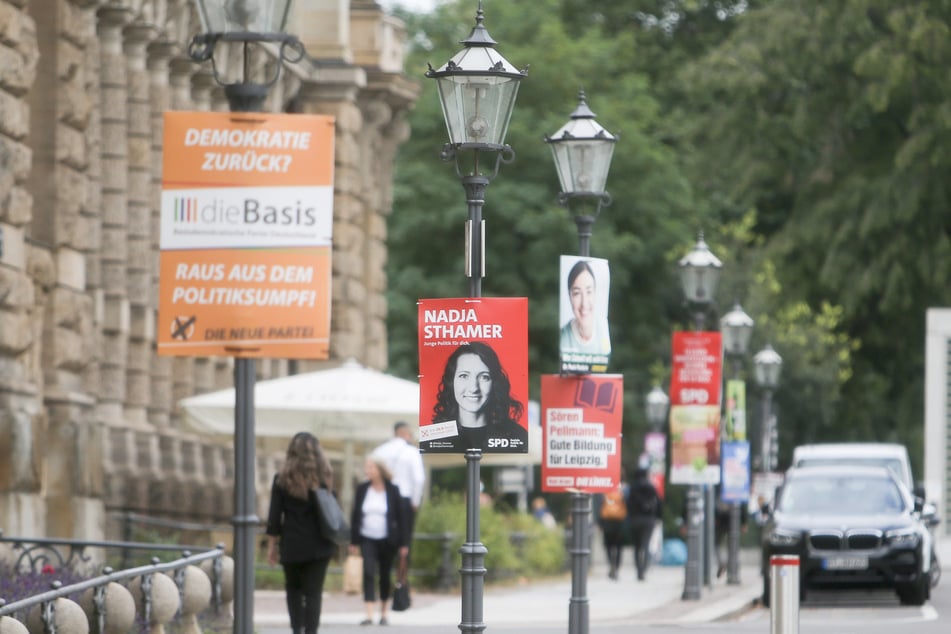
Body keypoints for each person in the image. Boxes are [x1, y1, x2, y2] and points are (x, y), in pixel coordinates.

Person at [265, 432, 337, 634]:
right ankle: (311, 631)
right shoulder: (325, 479)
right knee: (314, 593)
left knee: (293, 590)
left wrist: (272, 546)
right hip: (320, 544)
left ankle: (297, 629)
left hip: (292, 543)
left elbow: (274, 516)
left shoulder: (281, 479)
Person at [423, 342, 528, 452]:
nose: (473, 388)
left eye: (484, 377)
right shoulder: (432, 438)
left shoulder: (517, 436)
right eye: (464, 376)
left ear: (495, 383)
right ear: (451, 382)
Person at [349, 455, 410, 626]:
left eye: (371, 468)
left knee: (385, 575)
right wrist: (353, 541)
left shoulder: (392, 489)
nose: (368, 471)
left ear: (380, 470)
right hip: (367, 537)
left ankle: (384, 612)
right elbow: (355, 515)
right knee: (368, 573)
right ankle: (369, 613)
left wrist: (404, 544)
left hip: (388, 539)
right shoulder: (362, 489)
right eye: (366, 468)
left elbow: (402, 518)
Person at [372, 421, 426, 539]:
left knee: (384, 534)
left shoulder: (380, 451)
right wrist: (415, 502)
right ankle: (403, 557)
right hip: (404, 498)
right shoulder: (412, 452)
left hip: (383, 497)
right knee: (405, 536)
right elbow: (418, 479)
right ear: (405, 433)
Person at [559, 259, 611, 355]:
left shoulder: (604, 330)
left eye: (589, 292)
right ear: (569, 296)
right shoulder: (563, 337)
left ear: (595, 293)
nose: (584, 303)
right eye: (577, 293)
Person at [626, 467, 662, 581]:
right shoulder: (651, 487)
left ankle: (638, 569)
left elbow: (628, 503)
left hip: (635, 519)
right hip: (648, 519)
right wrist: (658, 517)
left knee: (637, 546)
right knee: (645, 544)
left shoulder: (632, 487)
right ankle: (644, 568)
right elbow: (658, 503)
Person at [596, 482, 628, 580]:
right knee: (618, 547)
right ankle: (617, 567)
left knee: (609, 547)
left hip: (607, 523)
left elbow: (600, 508)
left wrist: (600, 523)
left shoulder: (606, 494)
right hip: (619, 523)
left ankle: (611, 564)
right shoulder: (622, 493)